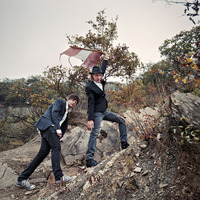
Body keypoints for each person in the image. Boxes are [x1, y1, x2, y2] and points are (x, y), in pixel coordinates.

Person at [16, 94, 80, 190]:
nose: (74, 103)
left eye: (76, 102)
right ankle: (59, 177)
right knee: (56, 148)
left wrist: (59, 135)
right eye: (73, 100)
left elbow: (63, 126)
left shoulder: (66, 113)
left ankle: (21, 179)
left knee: (42, 153)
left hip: (50, 130)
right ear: (68, 99)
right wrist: (57, 129)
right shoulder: (60, 102)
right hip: (48, 126)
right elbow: (54, 114)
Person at [85, 53, 129, 168]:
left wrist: (106, 59)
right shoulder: (90, 87)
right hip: (96, 113)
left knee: (122, 120)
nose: (99, 77)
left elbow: (103, 69)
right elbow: (90, 104)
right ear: (92, 76)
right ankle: (89, 159)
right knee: (94, 133)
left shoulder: (100, 82)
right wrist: (90, 119)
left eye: (100, 75)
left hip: (104, 111)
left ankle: (124, 144)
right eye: (96, 76)